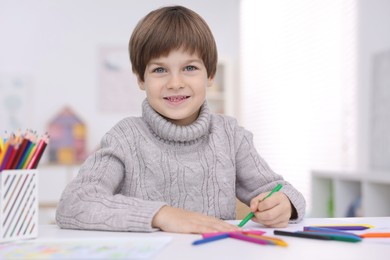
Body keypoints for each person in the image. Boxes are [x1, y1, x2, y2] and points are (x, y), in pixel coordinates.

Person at [55, 5, 306, 234]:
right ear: (141, 79)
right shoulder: (124, 138)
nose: (175, 83)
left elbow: (280, 190)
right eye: (160, 70)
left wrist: (284, 205)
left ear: (211, 75)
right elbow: (74, 202)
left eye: (189, 68)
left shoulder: (230, 135)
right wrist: (161, 214)